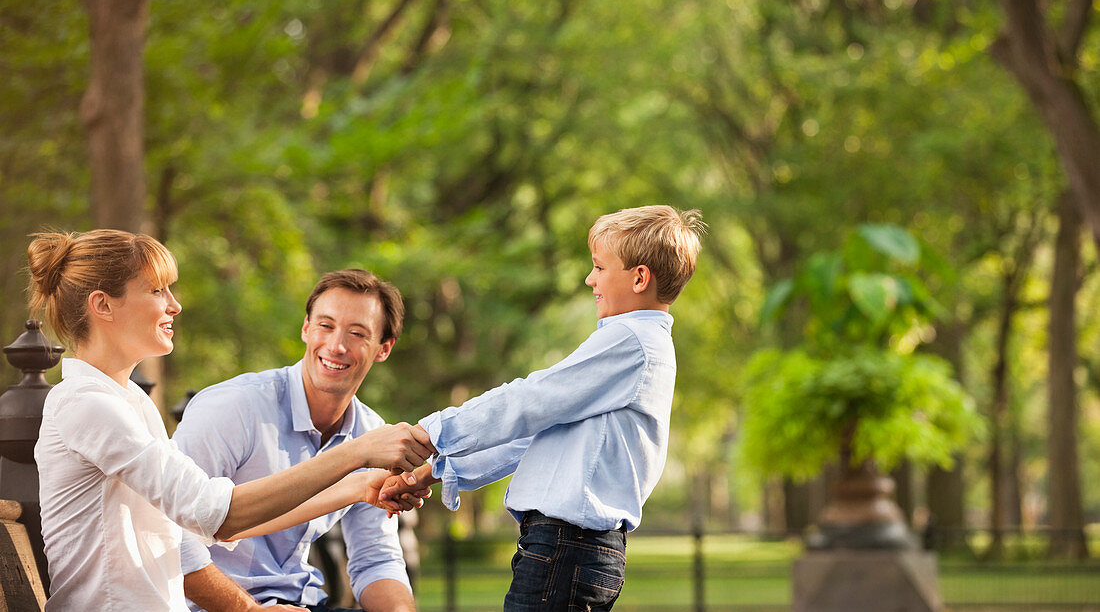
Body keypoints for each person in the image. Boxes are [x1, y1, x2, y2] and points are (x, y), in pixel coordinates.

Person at [28, 230, 433, 612]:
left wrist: (357, 486)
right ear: (103, 305)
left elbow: (212, 528)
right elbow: (217, 515)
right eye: (156, 290)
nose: (174, 304)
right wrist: (357, 453)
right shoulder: (86, 406)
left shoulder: (129, 400)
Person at [382, 205, 705, 611]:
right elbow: (537, 435)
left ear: (640, 277)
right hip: (564, 548)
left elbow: (529, 400)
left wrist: (431, 432)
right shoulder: (631, 347)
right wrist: (437, 470)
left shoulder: (631, 342)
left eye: (600, 268)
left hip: (568, 547)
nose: (590, 279)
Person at [173, 269, 426, 612]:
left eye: (356, 333)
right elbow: (170, 538)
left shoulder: (371, 431)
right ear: (306, 328)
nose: (336, 345)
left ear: (383, 348)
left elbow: (376, 558)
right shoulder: (234, 407)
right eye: (326, 325)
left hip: (301, 601)